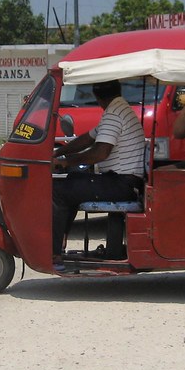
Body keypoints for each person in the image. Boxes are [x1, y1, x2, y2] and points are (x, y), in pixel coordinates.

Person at [51, 79, 146, 261]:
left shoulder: (114, 113)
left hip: (121, 184)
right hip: (123, 182)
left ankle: (53, 252)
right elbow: (88, 138)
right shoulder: (119, 109)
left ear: (97, 97)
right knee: (72, 181)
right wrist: (59, 151)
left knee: (58, 191)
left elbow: (100, 152)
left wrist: (65, 161)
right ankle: (59, 243)